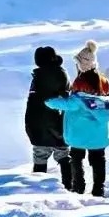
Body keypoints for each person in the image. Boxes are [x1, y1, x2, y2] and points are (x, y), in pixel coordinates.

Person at [45, 40, 109, 197]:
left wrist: (48, 101)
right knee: (98, 160)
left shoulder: (80, 82)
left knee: (76, 159)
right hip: (99, 132)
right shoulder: (103, 81)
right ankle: (99, 188)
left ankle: (78, 187)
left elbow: (72, 103)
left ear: (82, 65)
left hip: (79, 132)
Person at [25, 45, 71, 189]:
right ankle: (69, 187)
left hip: (36, 124)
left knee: (40, 156)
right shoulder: (60, 74)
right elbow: (66, 101)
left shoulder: (38, 77)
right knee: (63, 156)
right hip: (56, 123)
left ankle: (38, 190)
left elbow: (33, 104)